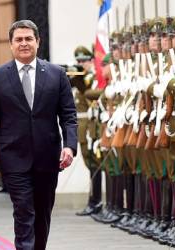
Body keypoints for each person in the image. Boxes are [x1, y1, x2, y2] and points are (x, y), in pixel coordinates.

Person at [0, 20, 77, 250]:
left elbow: (69, 115)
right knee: (23, 213)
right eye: (18, 40)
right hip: (14, 158)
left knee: (42, 216)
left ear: (38, 42)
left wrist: (70, 146)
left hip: (48, 158)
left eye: (28, 39)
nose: (24, 43)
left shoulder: (57, 74)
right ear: (11, 45)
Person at [71, 46, 103, 217]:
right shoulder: (81, 78)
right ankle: (93, 200)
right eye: (78, 61)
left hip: (91, 126)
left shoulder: (92, 79)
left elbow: (94, 96)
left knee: (94, 165)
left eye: (84, 61)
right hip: (81, 127)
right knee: (89, 164)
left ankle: (96, 201)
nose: (81, 64)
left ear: (92, 61)